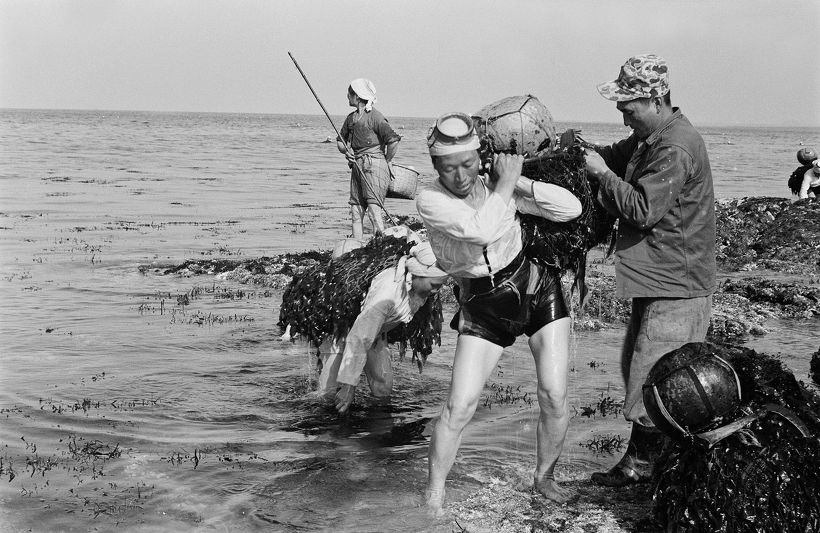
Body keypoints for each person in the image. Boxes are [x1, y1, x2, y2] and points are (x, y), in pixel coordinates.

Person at [415, 112, 583, 514]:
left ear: (479, 157)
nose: (461, 176)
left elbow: (571, 209)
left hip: (535, 286)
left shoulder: (497, 184)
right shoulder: (430, 200)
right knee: (459, 406)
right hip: (483, 304)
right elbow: (480, 230)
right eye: (449, 167)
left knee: (554, 394)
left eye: (468, 164)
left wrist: (516, 180)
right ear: (435, 166)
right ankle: (434, 496)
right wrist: (504, 186)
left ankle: (545, 477)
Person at [582, 54, 717, 486]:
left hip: (677, 282)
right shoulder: (650, 137)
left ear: (656, 100)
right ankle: (653, 465)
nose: (623, 117)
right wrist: (578, 151)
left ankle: (642, 468)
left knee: (659, 378)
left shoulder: (675, 146)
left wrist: (602, 176)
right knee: (638, 368)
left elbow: (642, 210)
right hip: (656, 276)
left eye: (629, 108)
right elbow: (612, 156)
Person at [317, 237, 449, 414]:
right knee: (329, 395)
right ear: (416, 274)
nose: (436, 290)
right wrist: (349, 385)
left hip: (375, 333)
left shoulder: (419, 288)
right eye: (434, 285)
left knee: (383, 388)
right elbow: (359, 336)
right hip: (340, 328)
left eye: (440, 285)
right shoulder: (387, 294)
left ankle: (377, 426)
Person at [336, 79, 401, 239]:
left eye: (349, 93)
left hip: (374, 165)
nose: (347, 96)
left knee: (373, 210)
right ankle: (356, 246)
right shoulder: (351, 118)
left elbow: (393, 140)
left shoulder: (375, 117)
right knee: (356, 211)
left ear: (357, 96)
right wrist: (347, 151)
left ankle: (380, 245)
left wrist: (388, 161)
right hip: (357, 165)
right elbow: (340, 142)